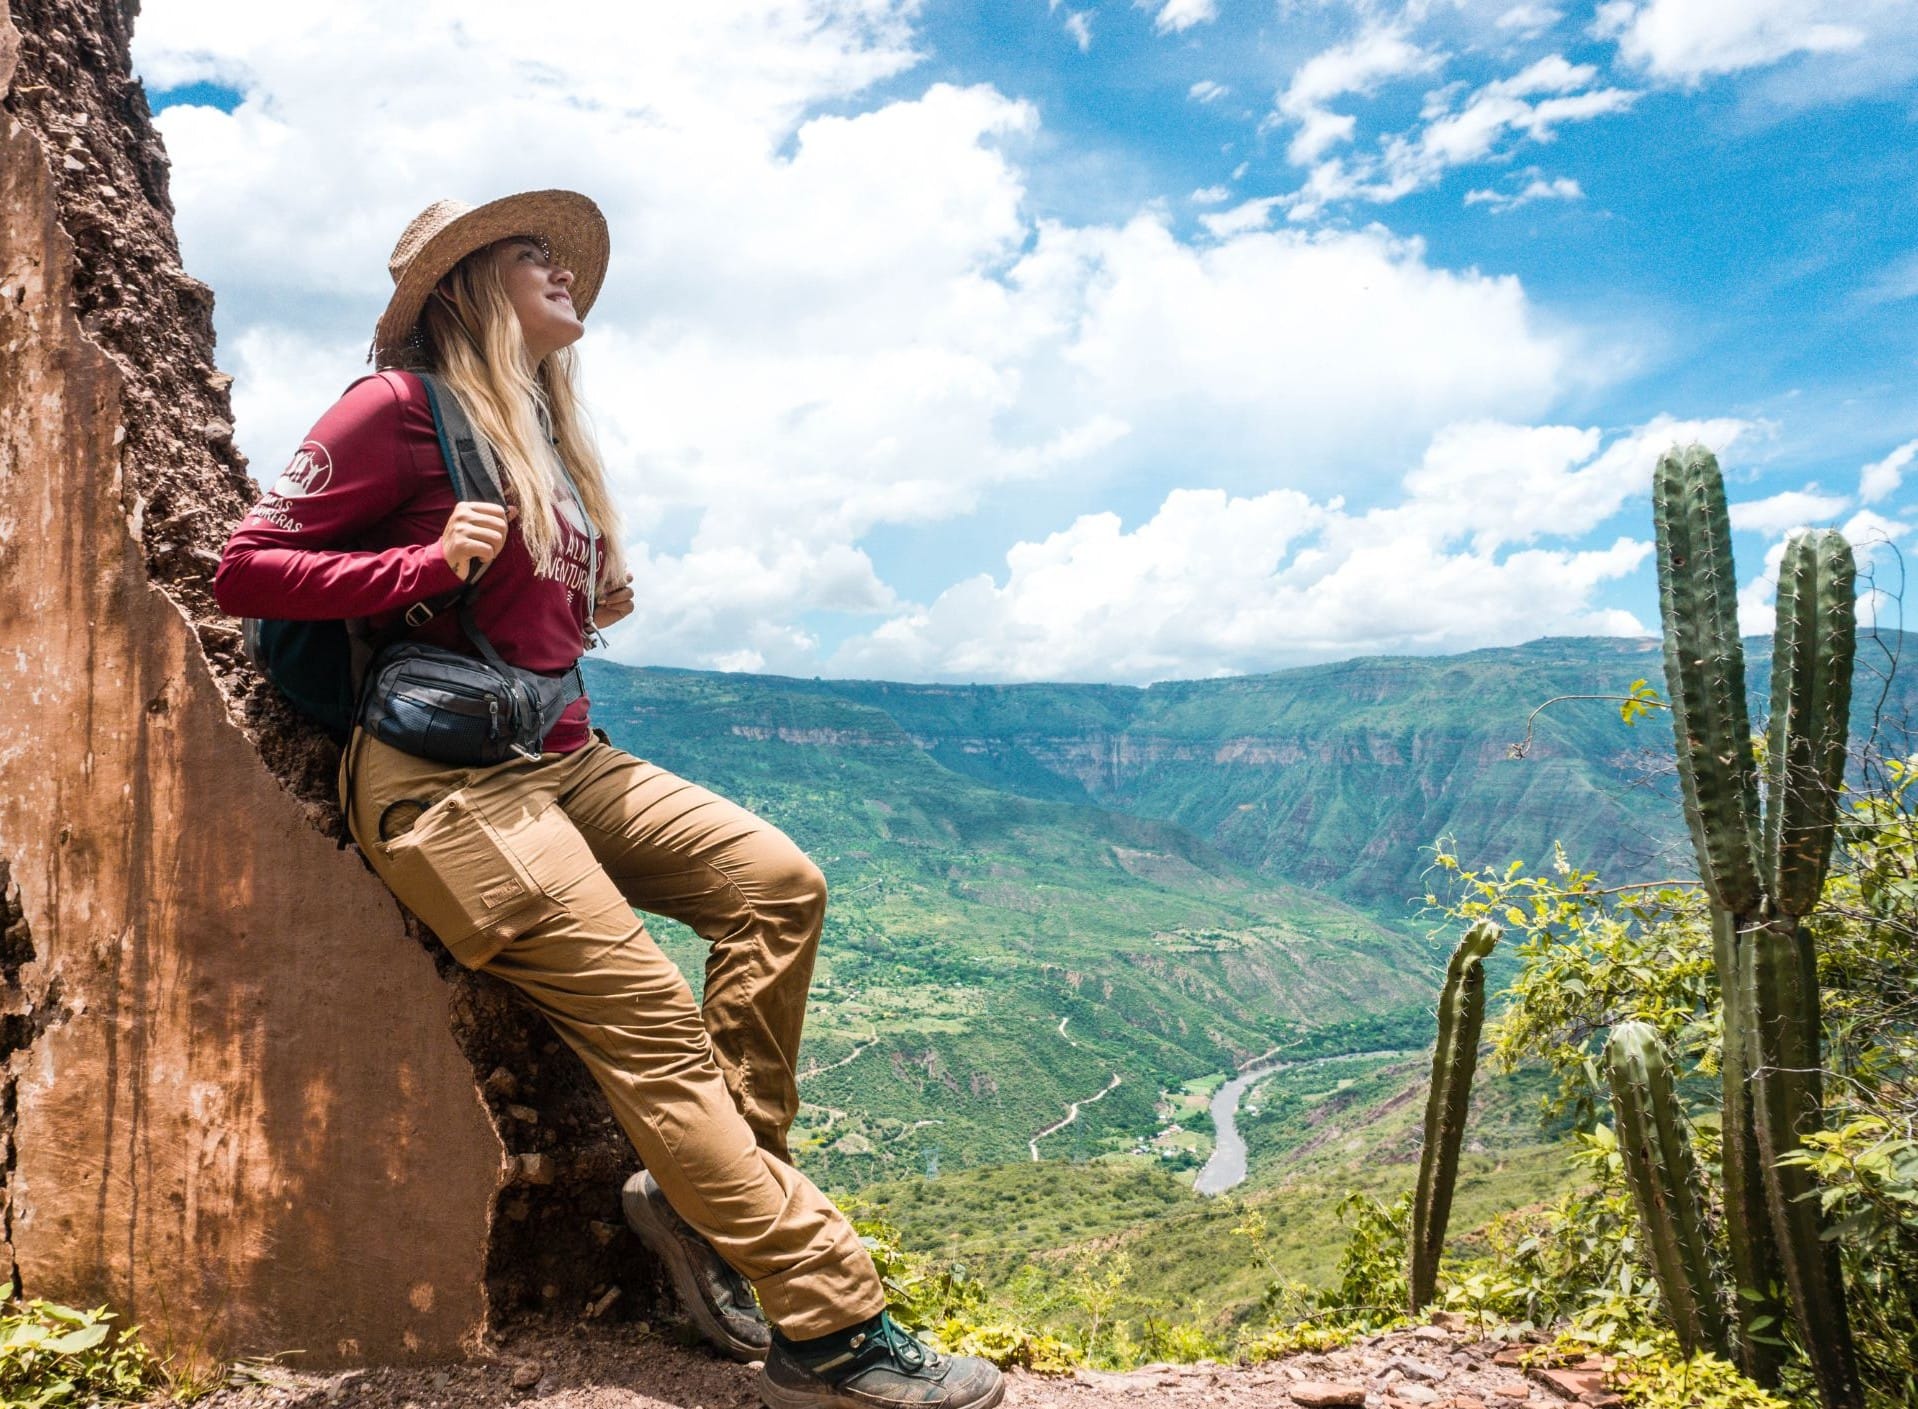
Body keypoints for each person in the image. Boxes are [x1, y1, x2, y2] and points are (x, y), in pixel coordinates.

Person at [213, 190, 1003, 1409]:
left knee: (777, 884)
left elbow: (516, 619)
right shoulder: (394, 408)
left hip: (566, 758)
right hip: (450, 786)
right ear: (470, 283)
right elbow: (244, 565)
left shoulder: (534, 426)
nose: (561, 271)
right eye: (533, 254)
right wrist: (421, 564)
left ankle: (704, 1201)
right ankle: (830, 1327)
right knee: (657, 1033)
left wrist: (584, 598)